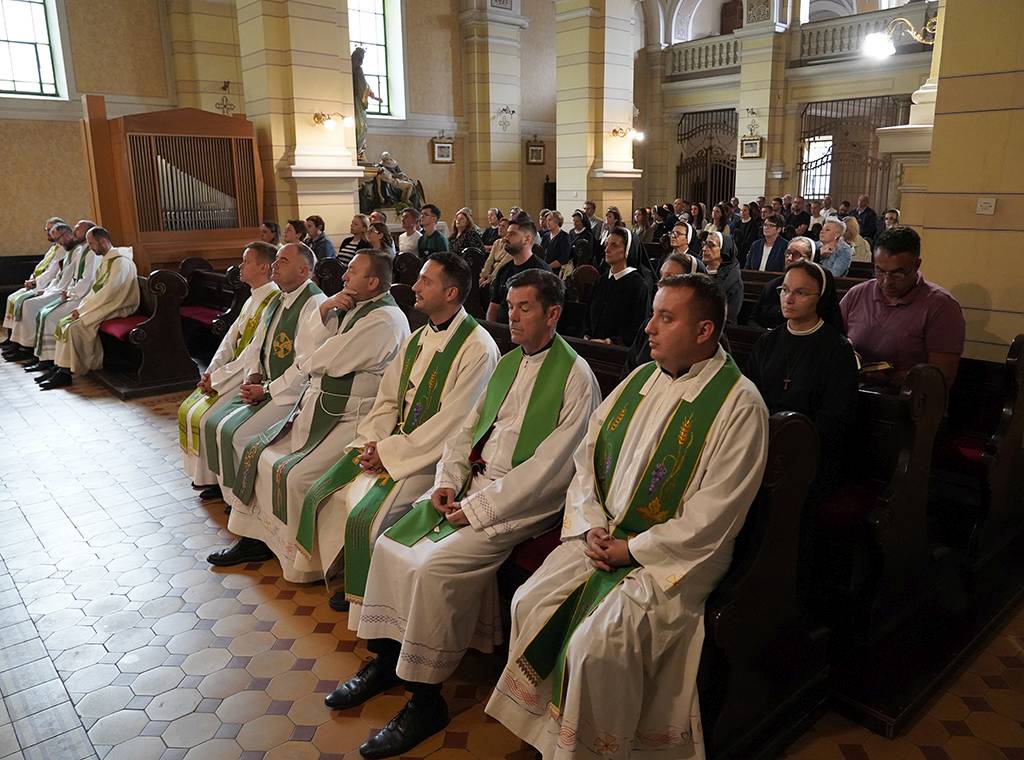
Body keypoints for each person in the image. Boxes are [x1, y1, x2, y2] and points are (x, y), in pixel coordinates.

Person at [486, 273, 769, 759]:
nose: (649, 328)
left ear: (704, 331)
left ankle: (593, 749)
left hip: (673, 561)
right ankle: (548, 738)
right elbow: (588, 458)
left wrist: (632, 549)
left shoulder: (739, 405)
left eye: (665, 318)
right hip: (604, 537)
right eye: (653, 314)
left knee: (594, 646)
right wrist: (592, 524)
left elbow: (716, 513)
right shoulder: (640, 379)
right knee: (529, 602)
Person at [332, 270, 602, 758]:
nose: (512, 317)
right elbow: (466, 431)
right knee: (390, 544)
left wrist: (478, 506)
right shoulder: (508, 364)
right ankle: (385, 661)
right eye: (510, 306)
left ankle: (425, 700)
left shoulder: (576, 377)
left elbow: (551, 468)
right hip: (471, 487)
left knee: (432, 569)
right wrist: (446, 481)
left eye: (524, 308)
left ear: (553, 314)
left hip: (522, 505)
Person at [301, 253, 501, 611]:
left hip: (431, 458)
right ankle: (339, 570)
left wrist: (390, 454)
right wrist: (373, 442)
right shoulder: (418, 336)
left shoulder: (477, 348)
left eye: (425, 280)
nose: (415, 286)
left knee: (366, 513)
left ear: (451, 293)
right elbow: (388, 398)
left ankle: (368, 592)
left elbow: (454, 424)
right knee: (328, 491)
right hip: (395, 444)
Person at [208, 251, 409, 580]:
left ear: (373, 282)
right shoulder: (354, 307)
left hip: (351, 417)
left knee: (296, 477)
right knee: (259, 455)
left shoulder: (384, 319)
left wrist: (308, 359)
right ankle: (257, 539)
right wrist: (326, 309)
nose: (343, 277)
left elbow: (323, 359)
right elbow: (307, 349)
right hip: (324, 406)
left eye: (352, 272)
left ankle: (305, 562)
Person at [198, 243, 327, 502]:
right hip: (265, 385)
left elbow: (305, 365)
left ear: (303, 271)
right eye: (276, 259)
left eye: (283, 261)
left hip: (291, 394)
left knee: (239, 435)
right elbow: (257, 345)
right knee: (215, 423)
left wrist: (266, 389)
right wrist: (252, 376)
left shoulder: (314, 303)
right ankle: (228, 492)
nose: (275, 265)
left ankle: (247, 502)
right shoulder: (278, 298)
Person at [747, 260, 858, 496]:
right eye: (785, 290)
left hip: (810, 453)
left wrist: (791, 445)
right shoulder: (767, 342)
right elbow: (749, 396)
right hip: (761, 443)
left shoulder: (837, 349)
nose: (788, 299)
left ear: (821, 298)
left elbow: (835, 416)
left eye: (800, 293)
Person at [178, 242, 281, 491]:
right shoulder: (252, 298)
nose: (240, 266)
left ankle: (216, 480)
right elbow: (229, 340)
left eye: (246, 261)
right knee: (190, 410)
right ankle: (207, 477)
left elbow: (253, 353)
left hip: (246, 375)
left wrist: (218, 378)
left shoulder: (273, 301)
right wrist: (210, 371)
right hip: (230, 372)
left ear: (264, 267)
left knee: (207, 418)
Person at [841, 226, 965, 388]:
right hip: (852, 390)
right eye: (880, 271)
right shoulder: (858, 294)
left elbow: (941, 378)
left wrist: (890, 378)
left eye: (897, 274)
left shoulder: (942, 306)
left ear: (917, 265)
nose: (887, 282)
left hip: (904, 398)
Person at [41, 228, 140, 390]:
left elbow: (109, 293)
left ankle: (67, 372)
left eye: (92, 243)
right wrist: (81, 307)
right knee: (64, 322)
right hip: (107, 303)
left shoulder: (120, 262)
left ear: (103, 241)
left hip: (120, 305)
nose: (90, 247)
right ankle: (59, 367)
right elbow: (96, 290)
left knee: (75, 327)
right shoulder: (108, 260)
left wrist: (82, 311)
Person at [4, 220, 86, 363]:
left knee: (30, 306)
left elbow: (72, 279)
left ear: (66, 235)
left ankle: (29, 348)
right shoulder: (69, 251)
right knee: (22, 302)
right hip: (55, 288)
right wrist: (42, 286)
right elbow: (53, 272)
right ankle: (21, 344)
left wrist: (64, 291)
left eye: (57, 238)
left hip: (64, 292)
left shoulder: (77, 252)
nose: (57, 242)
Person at [23, 222, 99, 375]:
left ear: (88, 232)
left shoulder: (92, 253)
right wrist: (69, 291)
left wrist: (70, 293)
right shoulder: (81, 250)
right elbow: (74, 278)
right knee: (44, 313)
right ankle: (45, 358)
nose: (74, 231)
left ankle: (53, 360)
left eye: (78, 229)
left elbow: (88, 280)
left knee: (50, 316)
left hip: (82, 298)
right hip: (73, 294)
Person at [623, 252, 708, 372]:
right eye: (661, 276)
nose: (660, 283)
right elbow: (629, 371)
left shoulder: (701, 334)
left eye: (669, 278)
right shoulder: (648, 325)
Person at [2, 217, 66, 348]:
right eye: (47, 230)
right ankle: (13, 338)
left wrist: (35, 283)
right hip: (37, 283)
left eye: (50, 230)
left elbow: (52, 272)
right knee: (11, 298)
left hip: (46, 286)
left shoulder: (63, 249)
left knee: (23, 303)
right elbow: (41, 266)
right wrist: (32, 278)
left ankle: (24, 343)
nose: (48, 233)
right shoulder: (54, 248)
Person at [585, 228, 647, 346]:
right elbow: (588, 313)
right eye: (607, 244)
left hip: (617, 351)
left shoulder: (638, 285)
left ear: (627, 250)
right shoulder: (602, 280)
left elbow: (638, 326)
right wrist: (586, 334)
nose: (607, 249)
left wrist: (611, 342)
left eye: (614, 245)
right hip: (591, 345)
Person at [487, 220, 551, 324]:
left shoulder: (542, 272)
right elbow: (494, 306)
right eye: (507, 233)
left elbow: (545, 314)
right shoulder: (504, 270)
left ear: (527, 239)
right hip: (502, 329)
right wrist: (491, 329)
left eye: (512, 234)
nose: (506, 238)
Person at [751, 237, 815, 329]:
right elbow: (753, 318)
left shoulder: (814, 288)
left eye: (796, 254)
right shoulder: (772, 285)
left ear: (810, 259)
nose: (790, 258)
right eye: (788, 253)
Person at [702, 230, 743, 324]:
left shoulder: (733, 281)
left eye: (711, 245)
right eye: (704, 244)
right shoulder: (698, 270)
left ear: (724, 250)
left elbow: (729, 317)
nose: (704, 248)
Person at [351, 47, 381, 162]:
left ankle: (359, 151)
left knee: (362, 127)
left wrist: (373, 96)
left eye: (362, 59)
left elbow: (365, 86)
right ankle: (357, 151)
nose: (361, 61)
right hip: (355, 101)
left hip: (360, 102)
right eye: (360, 58)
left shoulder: (359, 71)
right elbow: (363, 87)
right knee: (360, 126)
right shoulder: (354, 71)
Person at [479, 217, 511, 288]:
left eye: (503, 226)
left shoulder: (511, 244)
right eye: (499, 225)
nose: (500, 228)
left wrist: (490, 279)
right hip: (491, 273)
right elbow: (489, 261)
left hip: (501, 276)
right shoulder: (497, 242)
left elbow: (502, 264)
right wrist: (483, 276)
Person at [734, 201, 761, 265]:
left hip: (747, 251)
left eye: (745, 210)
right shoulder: (738, 223)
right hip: (737, 251)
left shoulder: (753, 224)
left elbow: (751, 239)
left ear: (749, 212)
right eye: (741, 210)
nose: (742, 212)